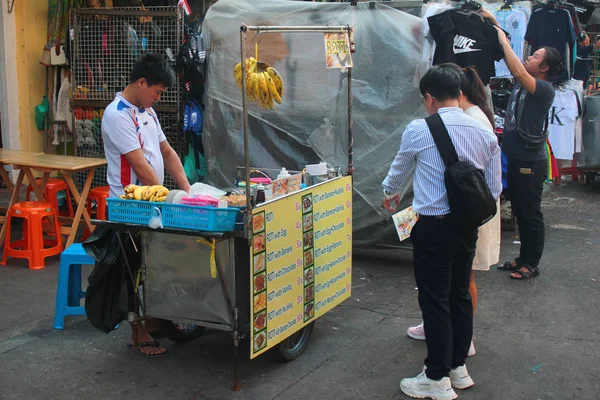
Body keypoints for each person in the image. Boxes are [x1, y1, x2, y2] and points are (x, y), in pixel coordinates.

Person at [382, 64, 502, 400]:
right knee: (459, 295)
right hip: (467, 227)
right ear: (460, 93)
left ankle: (435, 378)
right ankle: (458, 368)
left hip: (432, 227)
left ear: (430, 98)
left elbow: (397, 174)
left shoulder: (419, 130)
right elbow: (493, 188)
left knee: (434, 301)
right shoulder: (484, 130)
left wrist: (388, 194)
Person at [101, 53, 191, 357]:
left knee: (157, 264)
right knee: (134, 269)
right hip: (130, 206)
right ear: (141, 82)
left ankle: (156, 319)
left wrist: (189, 190)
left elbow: (167, 153)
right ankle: (138, 334)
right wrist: (166, 197)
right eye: (157, 91)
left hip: (152, 203)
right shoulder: (117, 114)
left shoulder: (147, 112)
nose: (157, 97)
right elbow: (140, 166)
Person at [483, 10, 562, 280]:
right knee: (518, 209)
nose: (529, 56)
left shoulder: (543, 89)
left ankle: (531, 263)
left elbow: (515, 65)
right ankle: (522, 257)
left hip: (530, 160)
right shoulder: (522, 82)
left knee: (530, 212)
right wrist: (491, 18)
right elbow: (513, 56)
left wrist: (504, 44)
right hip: (515, 157)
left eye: (536, 56)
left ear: (545, 68)